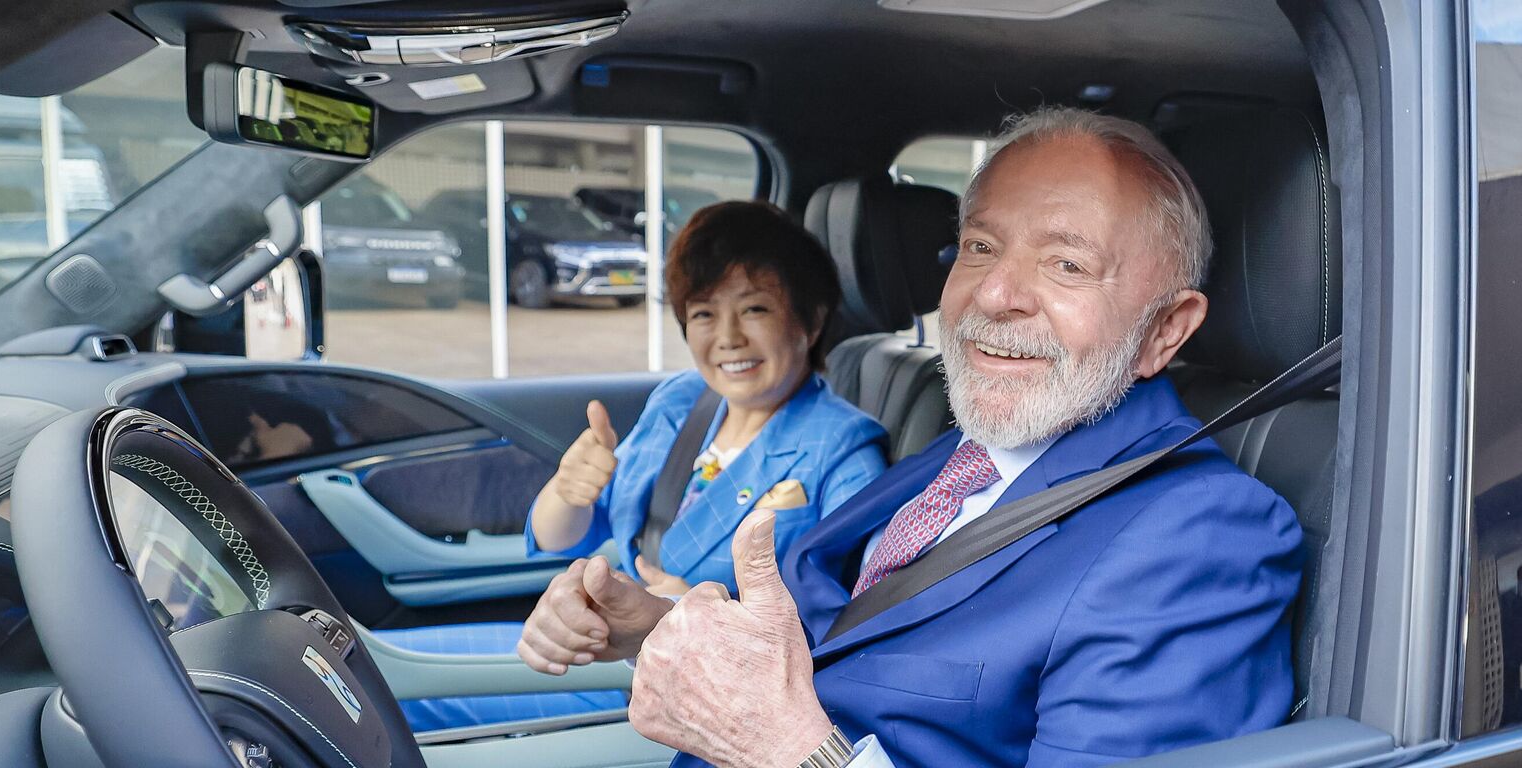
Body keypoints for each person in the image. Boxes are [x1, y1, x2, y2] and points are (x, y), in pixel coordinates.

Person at [516, 106, 1306, 766]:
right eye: (981, 247)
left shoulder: (1199, 538)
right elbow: (832, 645)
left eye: (1066, 265)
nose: (995, 295)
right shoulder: (970, 454)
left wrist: (796, 751)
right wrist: (656, 629)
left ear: (1165, 330)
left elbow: (792, 724)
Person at [385, 200, 889, 732]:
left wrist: (680, 614)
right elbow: (565, 537)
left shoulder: (845, 452)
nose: (729, 337)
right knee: (354, 666)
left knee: (376, 698)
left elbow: (849, 635)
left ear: (809, 322)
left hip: (689, 694)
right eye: (703, 313)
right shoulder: (683, 401)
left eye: (754, 309)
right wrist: (569, 491)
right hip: (604, 646)